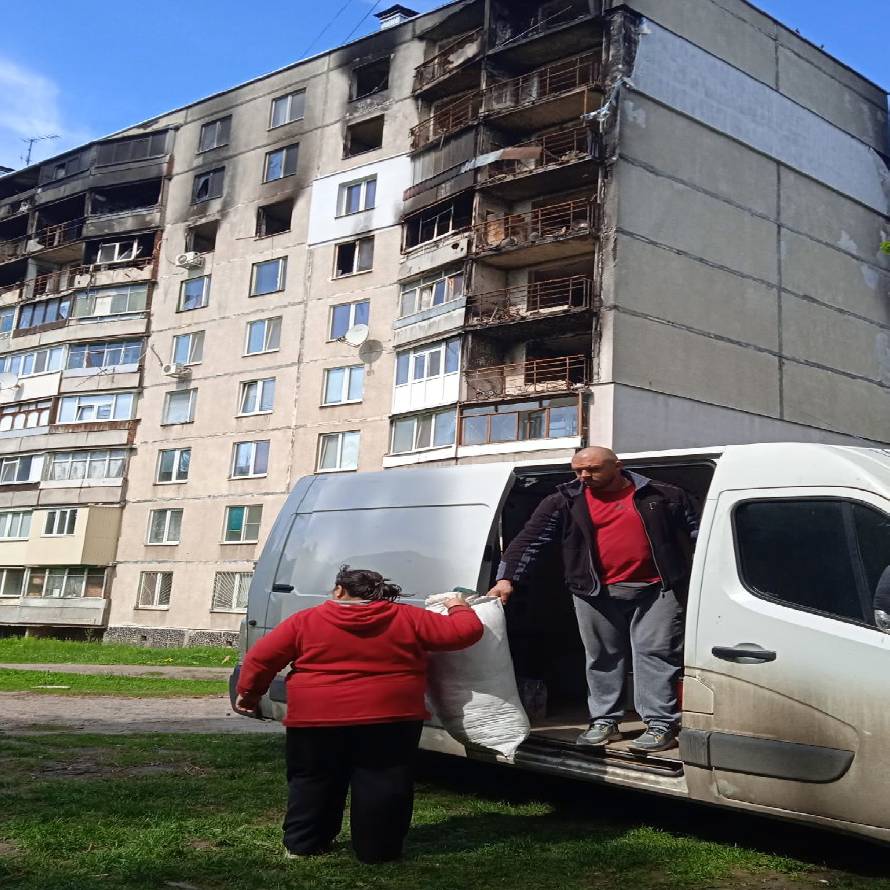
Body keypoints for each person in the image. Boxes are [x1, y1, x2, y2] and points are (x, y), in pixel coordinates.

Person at [234, 565, 482, 864]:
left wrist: (249, 695)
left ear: (340, 589)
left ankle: (304, 844)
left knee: (313, 779)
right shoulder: (407, 617)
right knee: (384, 780)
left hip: (316, 716)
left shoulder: (306, 620)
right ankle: (378, 850)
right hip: (391, 716)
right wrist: (457, 605)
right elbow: (465, 632)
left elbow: (262, 658)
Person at [488, 446, 698, 753]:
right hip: (593, 590)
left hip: (657, 588)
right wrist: (507, 578)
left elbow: (699, 533)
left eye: (594, 469)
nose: (584, 476)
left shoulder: (662, 495)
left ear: (618, 466)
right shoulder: (564, 500)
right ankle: (604, 721)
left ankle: (660, 724)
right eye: (578, 470)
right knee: (602, 656)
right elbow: (530, 539)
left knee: (655, 653)